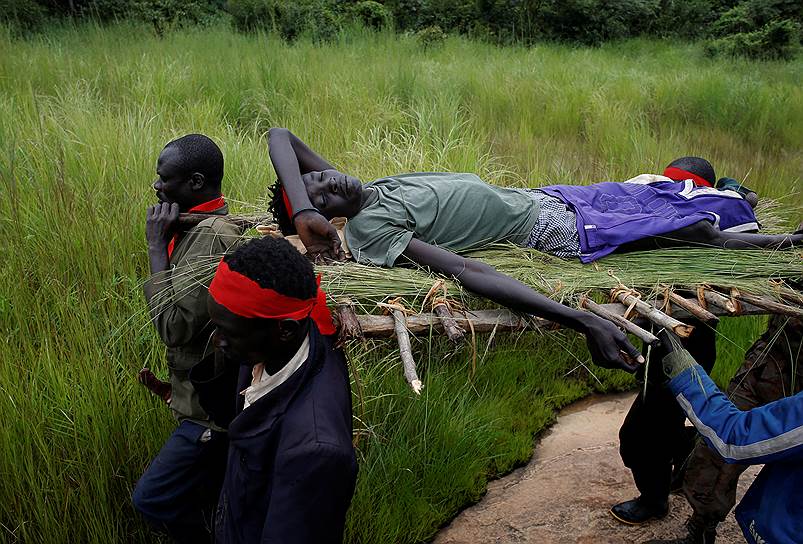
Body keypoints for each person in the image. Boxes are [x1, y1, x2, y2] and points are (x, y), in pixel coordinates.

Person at [266, 128, 802, 373]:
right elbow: (466, 269)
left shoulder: (365, 190)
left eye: (318, 179)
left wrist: (303, 203)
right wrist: (581, 320)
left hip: (549, 197)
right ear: (330, 223)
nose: (325, 179)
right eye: (317, 193)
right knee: (687, 232)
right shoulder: (370, 229)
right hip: (557, 231)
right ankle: (784, 245)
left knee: (663, 197)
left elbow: (280, 136)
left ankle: (755, 223)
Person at [192, 236, 357, 543]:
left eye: (227, 332)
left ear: (284, 330)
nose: (217, 341)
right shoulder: (272, 344)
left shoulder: (314, 452)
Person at [133, 134, 242, 543]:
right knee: (213, 498)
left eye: (165, 179)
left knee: (152, 499)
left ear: (196, 182)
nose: (157, 187)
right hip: (202, 399)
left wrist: (155, 248)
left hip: (206, 414)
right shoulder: (201, 226)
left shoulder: (211, 237)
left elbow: (174, 328)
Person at [650, 313, 803, 543]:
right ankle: (700, 529)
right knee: (713, 456)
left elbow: (734, 436)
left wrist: (681, 366)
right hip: (775, 355)